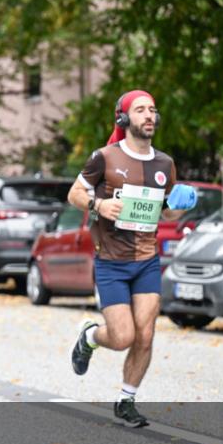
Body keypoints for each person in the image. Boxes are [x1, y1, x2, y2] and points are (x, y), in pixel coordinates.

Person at [67, 90, 198, 427]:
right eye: (141, 110)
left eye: (153, 110)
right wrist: (98, 205)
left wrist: (178, 207)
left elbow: (163, 215)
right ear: (123, 119)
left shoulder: (165, 164)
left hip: (146, 260)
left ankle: (126, 400)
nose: (149, 115)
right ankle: (90, 337)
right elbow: (74, 194)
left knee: (145, 334)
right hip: (110, 261)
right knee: (122, 335)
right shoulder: (104, 157)